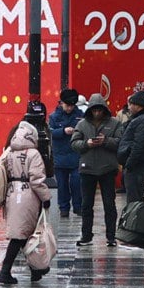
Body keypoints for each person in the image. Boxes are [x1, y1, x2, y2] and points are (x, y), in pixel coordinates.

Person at [0, 121, 51, 284]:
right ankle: (5, 272)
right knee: (20, 235)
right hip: (28, 196)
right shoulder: (33, 154)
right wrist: (46, 197)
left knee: (23, 234)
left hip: (13, 194)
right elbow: (37, 180)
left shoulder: (9, 152)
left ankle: (36, 270)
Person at [72, 94, 122, 247]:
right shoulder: (82, 124)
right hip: (87, 169)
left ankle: (111, 236)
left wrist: (105, 141)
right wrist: (86, 144)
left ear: (104, 110)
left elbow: (121, 142)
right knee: (86, 204)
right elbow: (74, 143)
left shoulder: (115, 123)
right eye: (94, 110)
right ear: (90, 110)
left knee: (109, 204)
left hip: (107, 168)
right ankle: (86, 235)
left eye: (100, 110)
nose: (97, 113)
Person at [117, 90, 144, 204]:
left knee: (134, 199)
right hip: (135, 165)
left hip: (136, 166)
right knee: (134, 197)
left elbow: (139, 145)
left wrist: (129, 164)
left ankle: (135, 221)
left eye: (130, 104)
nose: (128, 107)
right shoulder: (140, 119)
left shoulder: (143, 120)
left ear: (137, 105)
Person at [49, 88, 83, 218]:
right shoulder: (54, 117)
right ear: (61, 103)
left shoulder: (80, 115)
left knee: (76, 182)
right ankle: (63, 208)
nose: (69, 108)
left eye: (72, 106)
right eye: (67, 105)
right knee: (62, 184)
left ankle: (78, 206)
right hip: (60, 156)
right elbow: (50, 133)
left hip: (75, 154)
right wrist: (63, 131)